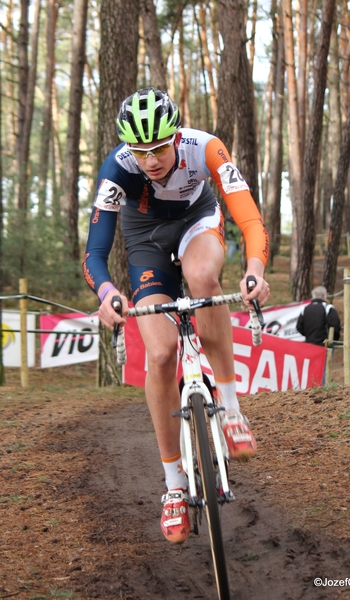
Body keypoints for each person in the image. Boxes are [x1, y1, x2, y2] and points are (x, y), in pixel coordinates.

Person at [83, 88, 270, 544]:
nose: (150, 161)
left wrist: (255, 271)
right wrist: (108, 293)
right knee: (162, 352)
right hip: (144, 238)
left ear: (177, 135)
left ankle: (229, 409)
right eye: (140, 151)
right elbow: (95, 253)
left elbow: (248, 219)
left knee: (204, 277)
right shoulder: (117, 169)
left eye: (159, 148)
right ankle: (174, 488)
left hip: (197, 221)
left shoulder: (206, 147)